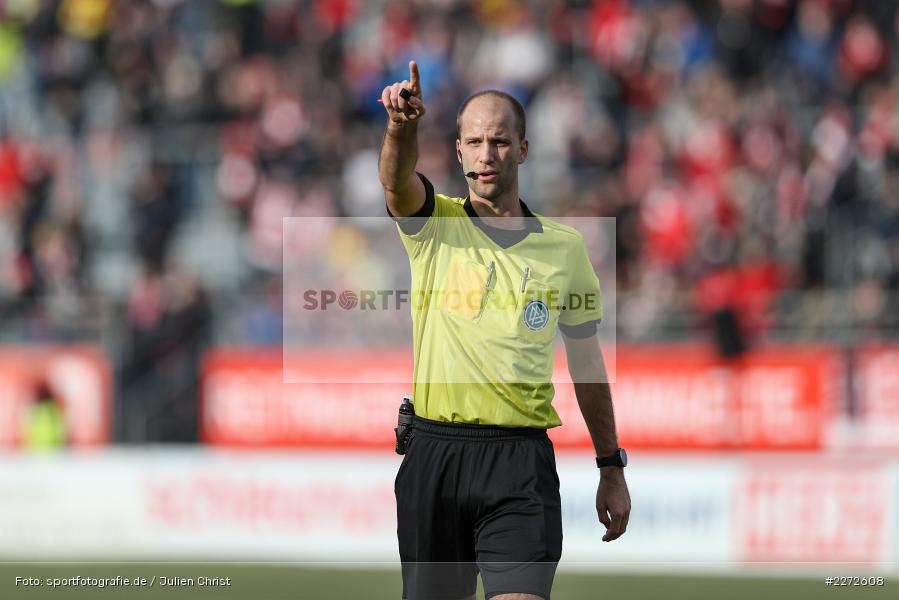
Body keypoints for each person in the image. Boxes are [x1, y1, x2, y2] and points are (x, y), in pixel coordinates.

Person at [379, 60, 631, 600]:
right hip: (436, 455)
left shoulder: (565, 249)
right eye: (474, 141)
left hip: (520, 463)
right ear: (458, 151)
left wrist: (610, 465)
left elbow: (587, 364)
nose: (486, 153)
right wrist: (401, 126)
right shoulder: (434, 226)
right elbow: (397, 182)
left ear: (521, 149)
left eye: (499, 141)